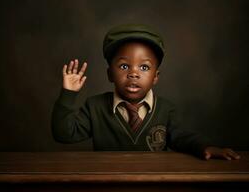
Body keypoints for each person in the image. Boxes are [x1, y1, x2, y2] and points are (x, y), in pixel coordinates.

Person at [51, 24, 240, 160]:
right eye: (124, 66)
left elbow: (183, 137)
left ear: (155, 76)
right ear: (110, 74)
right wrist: (68, 93)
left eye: (144, 68)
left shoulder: (166, 110)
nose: (133, 73)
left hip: (155, 183)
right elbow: (63, 134)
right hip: (108, 183)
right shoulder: (95, 107)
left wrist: (205, 147)